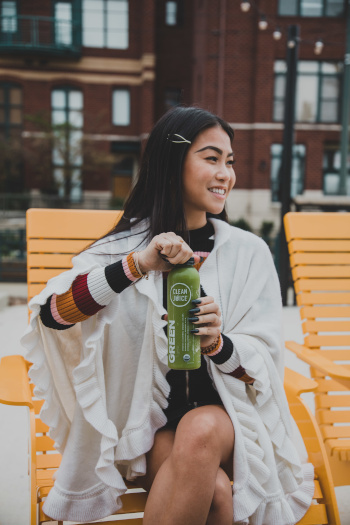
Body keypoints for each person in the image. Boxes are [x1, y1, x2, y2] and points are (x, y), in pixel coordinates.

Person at [22, 106, 314, 525]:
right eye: (211, 158)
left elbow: (262, 370)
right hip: (153, 428)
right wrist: (136, 266)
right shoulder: (125, 251)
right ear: (171, 161)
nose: (225, 174)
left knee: (199, 429)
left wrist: (217, 343)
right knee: (213, 495)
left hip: (231, 421)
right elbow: (53, 316)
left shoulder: (248, 253)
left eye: (229, 162)